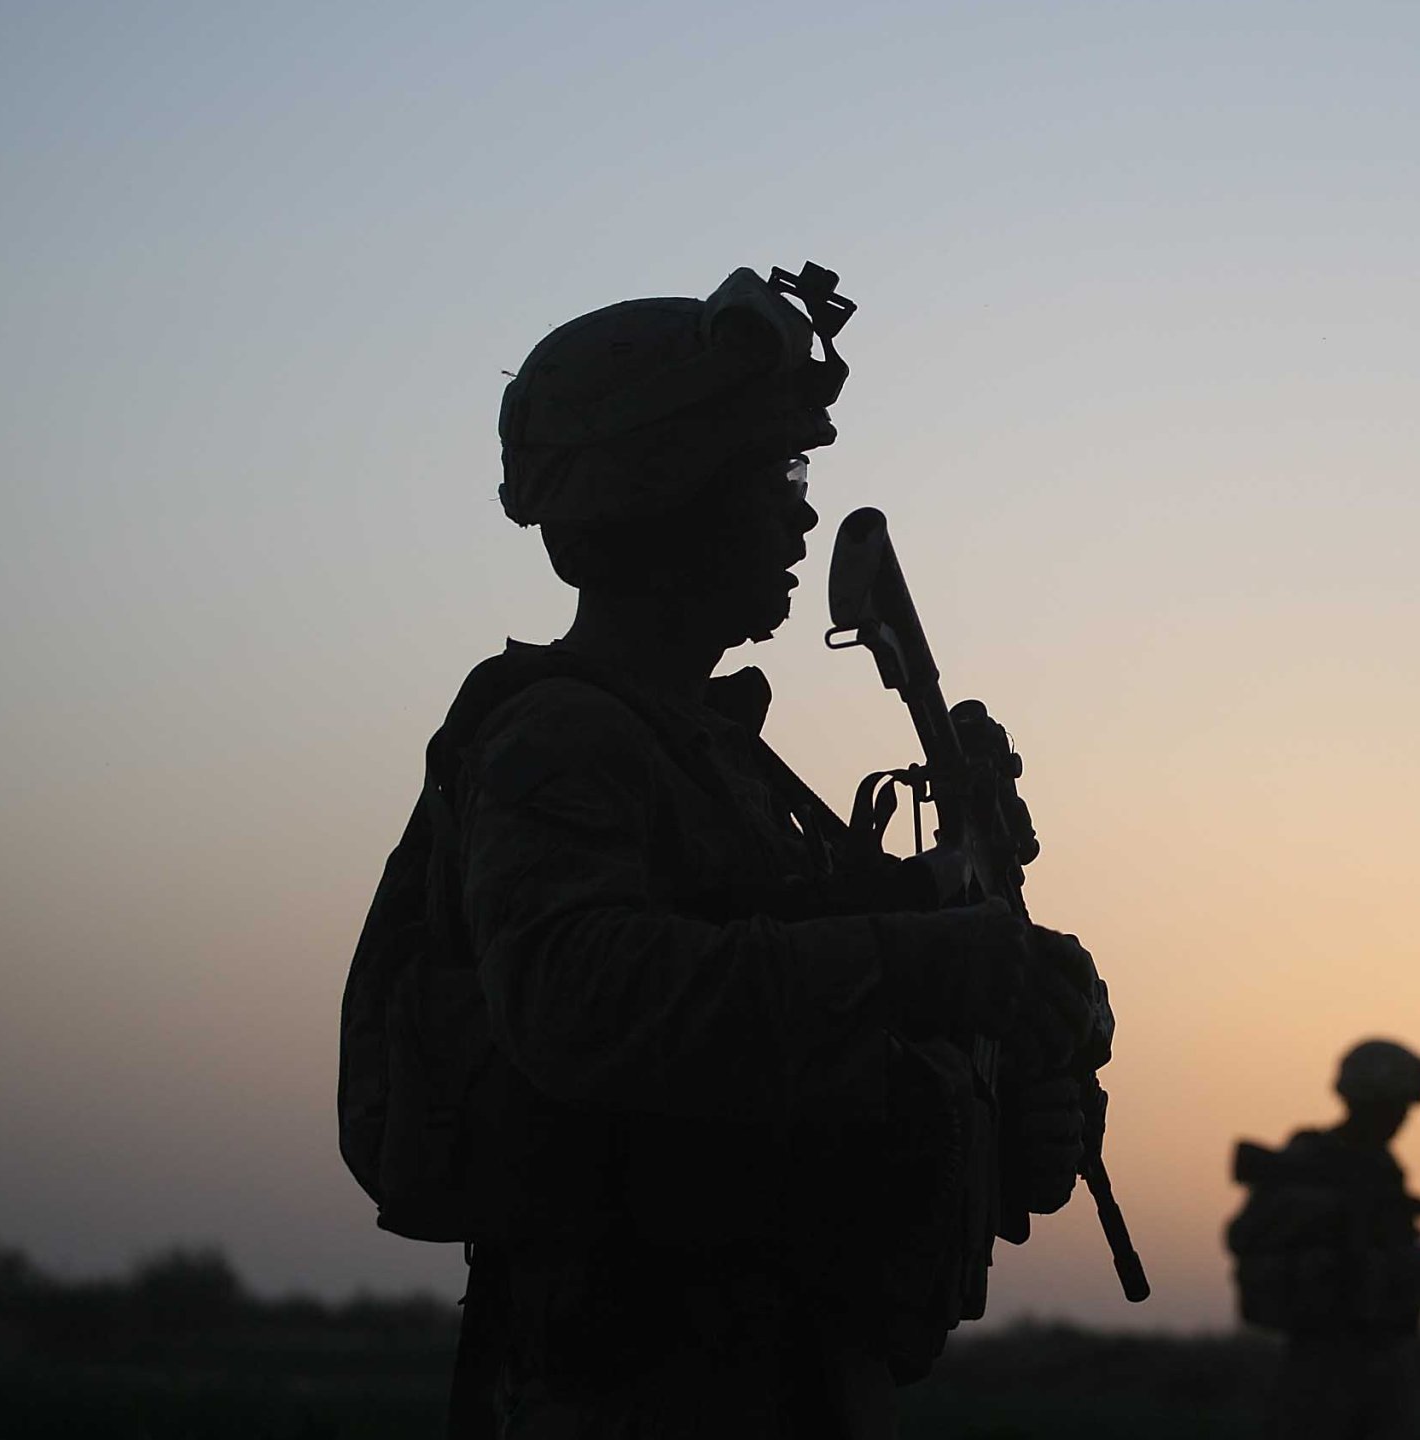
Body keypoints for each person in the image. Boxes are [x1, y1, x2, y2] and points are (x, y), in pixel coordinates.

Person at [354, 264, 1105, 1439]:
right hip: (629, 1390)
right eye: (773, 473)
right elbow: (577, 998)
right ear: (666, 492)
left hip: (782, 1374)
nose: (802, 511)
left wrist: (1024, 1007)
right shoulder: (563, 736)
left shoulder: (715, 762)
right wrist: (924, 963)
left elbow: (819, 1016)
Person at [1225, 1039, 1420, 1440]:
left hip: (1366, 1374)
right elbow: (1369, 1285)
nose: (1403, 1116)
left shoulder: (1378, 1172)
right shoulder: (1310, 1167)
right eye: (1398, 1103)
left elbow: (1391, 1295)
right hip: (1325, 1377)